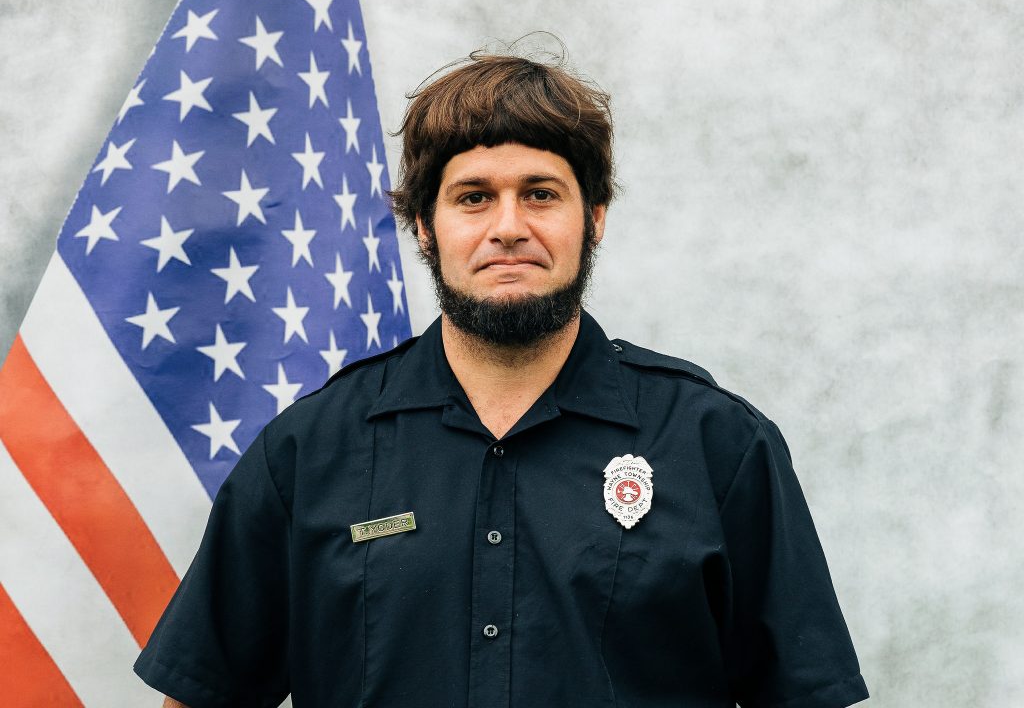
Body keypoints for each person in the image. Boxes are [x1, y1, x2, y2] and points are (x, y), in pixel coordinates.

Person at [136, 49, 870, 708]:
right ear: (424, 225)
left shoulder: (717, 445)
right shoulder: (308, 452)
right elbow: (205, 695)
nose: (509, 226)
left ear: (596, 219)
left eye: (542, 193)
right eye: (474, 196)